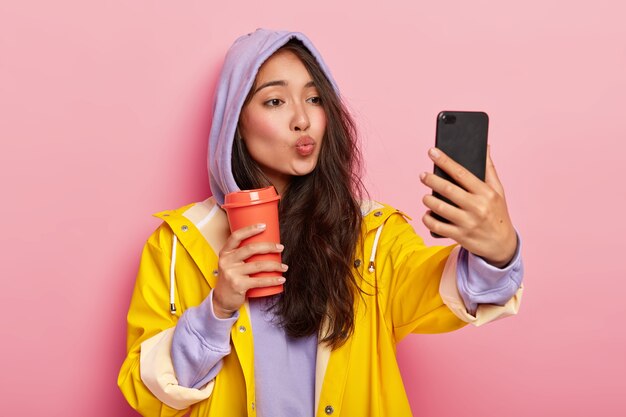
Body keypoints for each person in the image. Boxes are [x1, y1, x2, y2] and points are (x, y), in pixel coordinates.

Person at [117, 29, 524, 417]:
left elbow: (455, 293)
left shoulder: (371, 235)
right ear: (235, 125)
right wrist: (218, 308)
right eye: (275, 101)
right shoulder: (176, 245)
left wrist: (497, 250)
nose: (302, 119)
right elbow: (146, 394)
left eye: (314, 98)